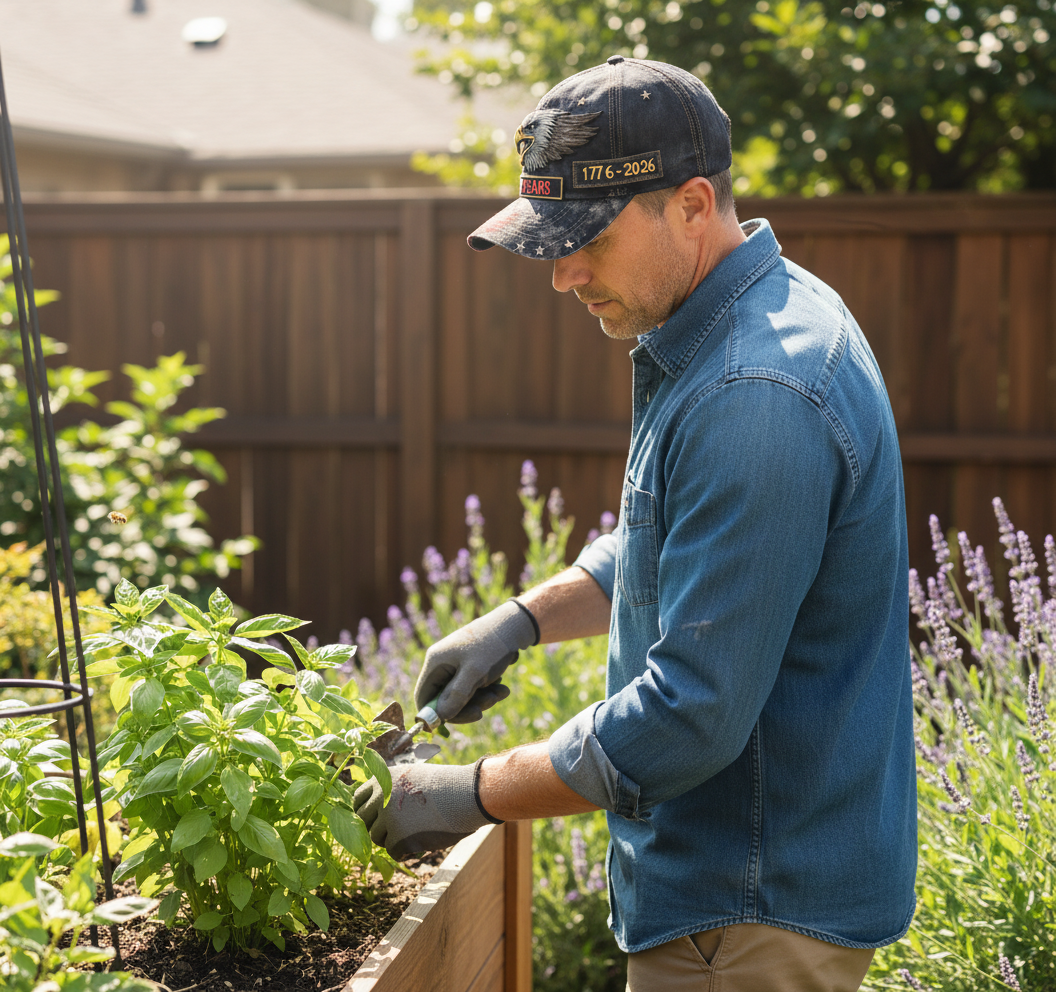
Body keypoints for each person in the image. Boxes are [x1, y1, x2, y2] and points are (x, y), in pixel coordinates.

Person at [353, 56, 916, 992]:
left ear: (692, 205)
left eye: (588, 239)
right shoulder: (743, 322)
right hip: (743, 894)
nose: (563, 274)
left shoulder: (755, 391)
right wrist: (523, 619)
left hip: (743, 916)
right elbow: (676, 541)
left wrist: (467, 792)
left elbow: (692, 717)